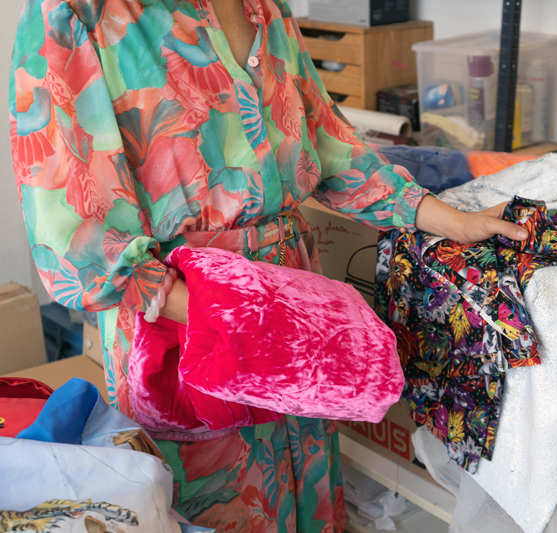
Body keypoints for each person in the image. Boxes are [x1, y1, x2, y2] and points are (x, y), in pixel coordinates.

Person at [9, 0, 527, 530]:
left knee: (308, 500)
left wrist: (446, 218)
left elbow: (329, 145)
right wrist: (244, 322)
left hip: (294, 306)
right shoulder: (75, 15)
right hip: (188, 324)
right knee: (220, 509)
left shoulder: (265, 8)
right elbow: (76, 242)